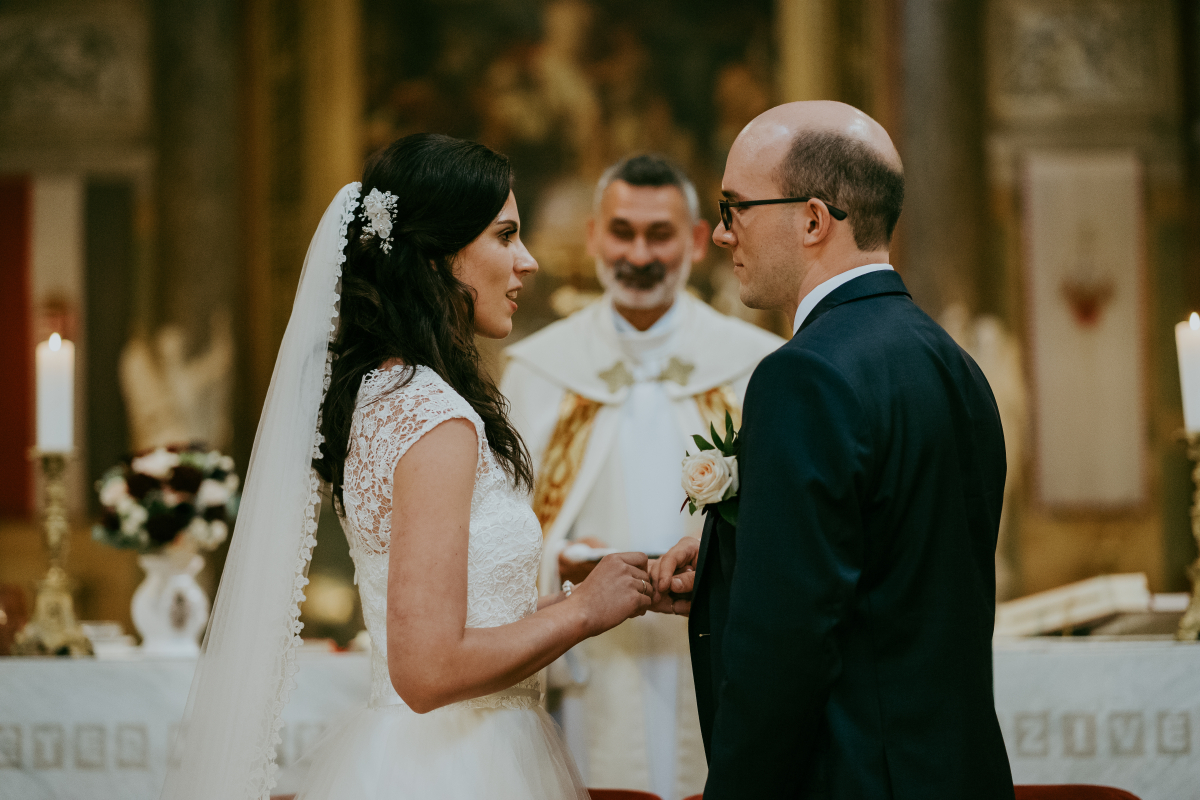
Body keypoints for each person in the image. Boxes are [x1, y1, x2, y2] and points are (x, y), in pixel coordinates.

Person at [160, 133, 656, 800]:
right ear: (436, 256)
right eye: (505, 236)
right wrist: (583, 613)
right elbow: (427, 670)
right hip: (458, 768)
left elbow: (458, 622)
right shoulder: (432, 416)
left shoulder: (385, 392)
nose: (528, 261)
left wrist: (598, 594)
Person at [652, 101, 1015, 798]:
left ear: (814, 220)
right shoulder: (954, 365)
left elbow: (783, 650)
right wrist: (737, 561)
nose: (723, 234)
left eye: (735, 208)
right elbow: (901, 568)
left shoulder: (804, 375)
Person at [501, 154, 781, 800]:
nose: (639, 254)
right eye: (622, 232)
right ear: (594, 236)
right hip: (587, 666)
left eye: (660, 235)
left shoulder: (757, 367)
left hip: (718, 656)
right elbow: (498, 526)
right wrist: (560, 561)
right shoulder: (538, 371)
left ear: (695, 241)